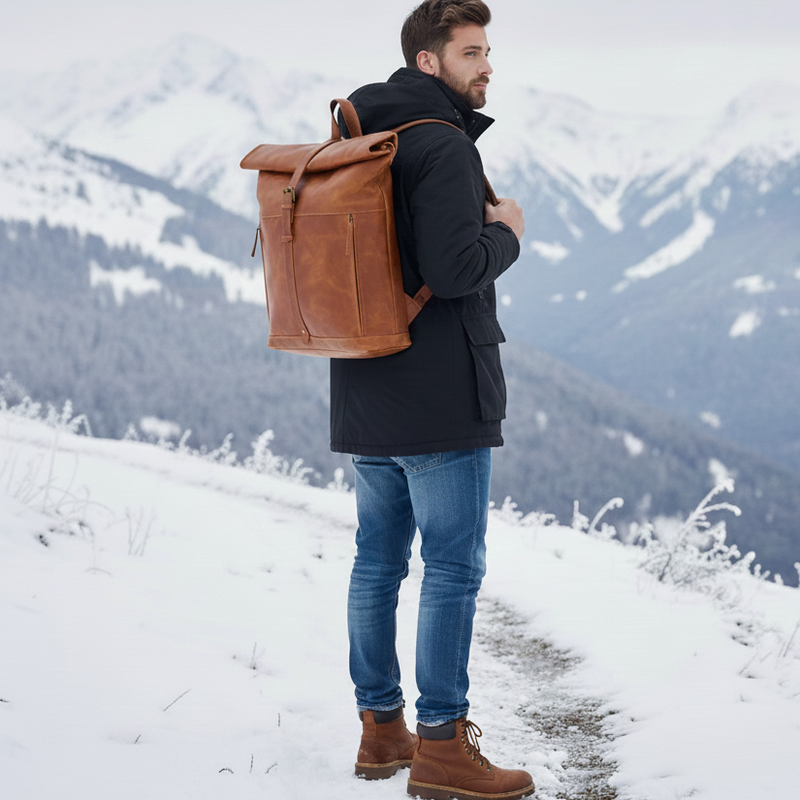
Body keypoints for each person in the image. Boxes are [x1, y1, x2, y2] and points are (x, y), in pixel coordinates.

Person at [330, 2, 533, 798]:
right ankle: (444, 745)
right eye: (471, 53)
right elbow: (453, 271)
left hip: (366, 381)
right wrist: (509, 232)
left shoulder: (363, 137)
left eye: (489, 52)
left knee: (377, 561)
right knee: (452, 567)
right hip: (441, 393)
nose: (486, 67)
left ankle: (383, 731)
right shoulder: (442, 145)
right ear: (428, 63)